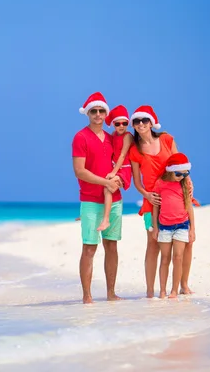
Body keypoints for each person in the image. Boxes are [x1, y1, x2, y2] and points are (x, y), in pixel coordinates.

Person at [128, 105, 195, 298]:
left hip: (177, 195)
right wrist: (146, 195)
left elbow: (179, 162)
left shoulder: (166, 139)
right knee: (153, 243)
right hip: (154, 200)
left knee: (187, 242)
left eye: (144, 120)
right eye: (137, 121)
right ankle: (150, 291)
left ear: (151, 122)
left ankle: (183, 284)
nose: (141, 124)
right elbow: (136, 181)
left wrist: (189, 182)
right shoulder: (135, 150)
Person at [72, 92, 131, 303]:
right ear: (88, 113)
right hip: (90, 200)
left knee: (112, 245)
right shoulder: (80, 137)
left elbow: (124, 161)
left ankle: (111, 293)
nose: (98, 114)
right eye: (93, 111)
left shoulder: (111, 138)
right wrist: (106, 182)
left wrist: (120, 180)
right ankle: (87, 297)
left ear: (106, 113)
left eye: (101, 111)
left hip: (114, 200)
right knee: (89, 247)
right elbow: (80, 171)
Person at [151, 153, 196, 299]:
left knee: (178, 257)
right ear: (170, 171)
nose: (182, 176)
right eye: (178, 174)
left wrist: (192, 229)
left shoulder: (184, 183)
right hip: (164, 226)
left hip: (182, 225)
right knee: (165, 259)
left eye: (185, 173)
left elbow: (189, 207)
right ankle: (162, 290)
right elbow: (155, 207)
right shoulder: (160, 183)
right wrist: (155, 228)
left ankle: (175, 290)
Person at [97, 105, 133, 231]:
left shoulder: (128, 136)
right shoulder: (113, 134)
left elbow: (122, 155)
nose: (121, 126)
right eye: (118, 124)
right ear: (113, 124)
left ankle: (106, 219)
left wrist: (113, 172)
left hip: (124, 168)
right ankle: (96, 215)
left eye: (124, 123)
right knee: (103, 188)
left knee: (108, 188)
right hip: (114, 167)